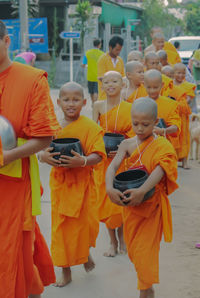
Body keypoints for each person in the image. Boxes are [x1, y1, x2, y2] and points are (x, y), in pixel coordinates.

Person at [0, 20, 59, 298]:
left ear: (7, 41)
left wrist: (6, 156)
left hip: (14, 181)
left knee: (11, 247)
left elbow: (44, 137)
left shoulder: (31, 79)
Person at [106, 97, 178, 298]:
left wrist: (142, 190)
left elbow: (161, 170)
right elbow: (112, 166)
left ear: (156, 123)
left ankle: (145, 292)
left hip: (151, 209)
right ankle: (147, 288)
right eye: (135, 123)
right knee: (136, 254)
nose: (139, 128)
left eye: (145, 124)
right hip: (131, 209)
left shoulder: (162, 145)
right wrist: (109, 187)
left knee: (145, 255)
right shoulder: (127, 144)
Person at [40, 82, 106, 287]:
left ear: (84, 102)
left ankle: (84, 254)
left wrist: (83, 161)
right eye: (66, 100)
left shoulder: (91, 127)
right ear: (58, 102)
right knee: (60, 231)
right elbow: (41, 148)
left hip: (83, 187)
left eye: (76, 100)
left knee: (83, 227)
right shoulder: (52, 127)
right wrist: (43, 156)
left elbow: (98, 154)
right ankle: (65, 270)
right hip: (60, 187)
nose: (71, 104)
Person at [93, 71, 134, 257]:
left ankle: (123, 239)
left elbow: (135, 135)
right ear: (102, 85)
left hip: (122, 159)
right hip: (103, 160)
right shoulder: (98, 105)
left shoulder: (129, 107)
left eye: (115, 81)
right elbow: (93, 132)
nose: (110, 84)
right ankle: (112, 241)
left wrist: (123, 150)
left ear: (122, 84)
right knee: (106, 202)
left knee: (121, 201)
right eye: (106, 81)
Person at [144, 69, 181, 151]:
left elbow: (176, 127)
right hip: (145, 146)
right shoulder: (139, 103)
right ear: (144, 85)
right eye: (149, 87)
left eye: (155, 87)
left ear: (162, 85)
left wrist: (163, 131)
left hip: (164, 146)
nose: (152, 91)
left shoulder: (171, 104)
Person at [173, 63, 196, 169]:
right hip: (173, 115)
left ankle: (185, 162)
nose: (181, 75)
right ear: (174, 73)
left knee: (185, 138)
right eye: (178, 73)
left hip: (183, 117)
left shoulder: (187, 86)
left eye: (183, 73)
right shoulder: (170, 85)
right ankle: (174, 160)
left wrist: (178, 102)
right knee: (174, 137)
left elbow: (188, 99)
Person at [97, 36, 125, 100]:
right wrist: (116, 81)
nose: (118, 52)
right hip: (105, 97)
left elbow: (123, 77)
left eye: (120, 50)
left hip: (118, 97)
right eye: (117, 50)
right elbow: (101, 78)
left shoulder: (120, 60)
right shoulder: (102, 59)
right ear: (110, 47)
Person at [81, 39, 104, 104]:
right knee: (96, 92)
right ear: (99, 45)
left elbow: (83, 65)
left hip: (90, 76)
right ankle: (95, 103)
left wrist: (87, 66)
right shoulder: (102, 54)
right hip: (98, 76)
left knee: (91, 92)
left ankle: (93, 103)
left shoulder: (87, 53)